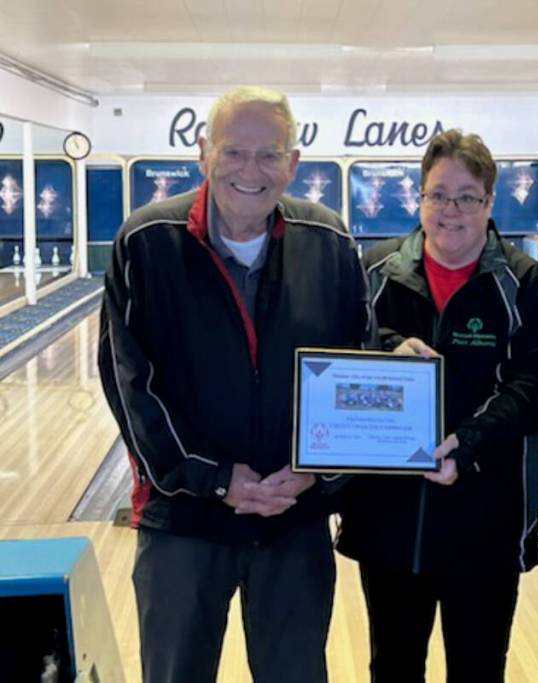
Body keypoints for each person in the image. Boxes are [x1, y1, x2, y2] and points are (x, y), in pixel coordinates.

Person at [97, 86, 371, 683]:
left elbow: (356, 365)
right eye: (234, 152)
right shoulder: (146, 243)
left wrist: (317, 471)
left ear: (294, 163)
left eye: (270, 154)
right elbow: (129, 385)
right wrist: (215, 478)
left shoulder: (328, 241)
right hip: (184, 522)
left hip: (292, 518)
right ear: (204, 154)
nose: (252, 171)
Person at [335, 129, 538, 682]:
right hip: (389, 521)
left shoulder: (523, 281)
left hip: (483, 516)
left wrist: (470, 444)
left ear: (490, 202)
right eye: (438, 194)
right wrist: (388, 347)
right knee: (392, 667)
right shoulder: (375, 272)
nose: (451, 210)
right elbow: (340, 358)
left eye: (467, 196)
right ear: (419, 198)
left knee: (478, 669)